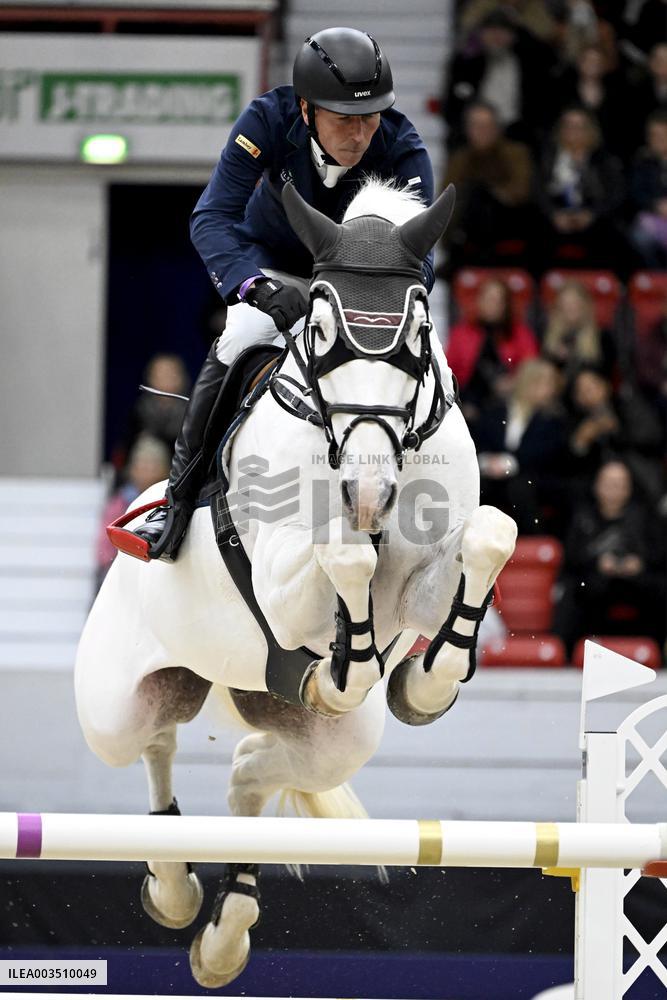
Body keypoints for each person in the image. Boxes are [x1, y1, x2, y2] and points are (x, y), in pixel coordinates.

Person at [126, 27, 434, 560]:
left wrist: (363, 300)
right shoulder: (267, 120)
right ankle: (176, 505)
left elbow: (419, 259)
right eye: (344, 118)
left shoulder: (402, 149)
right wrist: (256, 285)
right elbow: (212, 217)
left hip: (360, 286)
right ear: (308, 109)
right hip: (272, 266)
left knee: (421, 353)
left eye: (370, 117)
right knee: (241, 333)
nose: (359, 134)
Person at [552, 459, 666, 655]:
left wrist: (639, 563)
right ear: (597, 486)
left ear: (629, 488)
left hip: (637, 583)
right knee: (572, 591)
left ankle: (660, 652)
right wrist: (597, 563)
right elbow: (571, 558)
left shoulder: (644, 516)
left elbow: (660, 553)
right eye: (609, 484)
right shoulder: (582, 516)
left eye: (620, 484)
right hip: (594, 583)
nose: (614, 489)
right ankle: (564, 654)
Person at [473, 357, 567, 533]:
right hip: (490, 477)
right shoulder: (494, 410)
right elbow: (479, 441)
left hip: (533, 479)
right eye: (543, 383)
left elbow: (548, 453)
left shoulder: (553, 419)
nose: (549, 390)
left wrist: (509, 463)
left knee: (520, 488)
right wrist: (486, 461)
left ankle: (532, 544)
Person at [443, 101, 537, 270]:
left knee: (480, 195)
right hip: (470, 225)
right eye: (477, 125)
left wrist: (490, 191)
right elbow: (447, 198)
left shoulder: (516, 152)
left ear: (498, 128)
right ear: (467, 129)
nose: (482, 131)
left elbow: (521, 191)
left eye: (488, 125)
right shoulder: (460, 158)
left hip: (509, 220)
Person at [536, 107, 627, 271]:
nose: (573, 131)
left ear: (590, 130)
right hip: (556, 218)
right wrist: (554, 214)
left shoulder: (603, 159)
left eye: (579, 126)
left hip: (594, 218)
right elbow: (538, 192)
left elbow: (616, 195)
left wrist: (591, 214)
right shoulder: (548, 158)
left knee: (612, 237)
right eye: (569, 126)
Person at [445, 276, 539, 425]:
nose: (491, 305)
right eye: (487, 299)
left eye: (497, 300)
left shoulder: (520, 333)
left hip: (510, 400)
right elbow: (448, 372)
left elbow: (533, 369)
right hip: (467, 400)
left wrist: (514, 382)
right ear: (478, 301)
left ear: (505, 305)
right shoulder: (461, 332)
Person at [96, 435, 171, 588]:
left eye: (153, 466)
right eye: (143, 466)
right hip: (124, 571)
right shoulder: (121, 502)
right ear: (133, 470)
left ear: (165, 471)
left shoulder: (169, 501)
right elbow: (104, 550)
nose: (148, 471)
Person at [541, 279, 617, 384]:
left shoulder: (602, 337)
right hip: (555, 394)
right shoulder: (548, 337)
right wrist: (556, 359)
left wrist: (574, 358)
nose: (570, 308)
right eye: (565, 304)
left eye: (575, 303)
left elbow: (605, 376)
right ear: (558, 308)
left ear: (585, 306)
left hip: (589, 393)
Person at [629, 110, 667, 268]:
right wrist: (656, 205)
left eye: (663, 134)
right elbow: (636, 193)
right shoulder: (643, 162)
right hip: (653, 218)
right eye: (654, 135)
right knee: (639, 236)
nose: (659, 140)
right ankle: (655, 282)